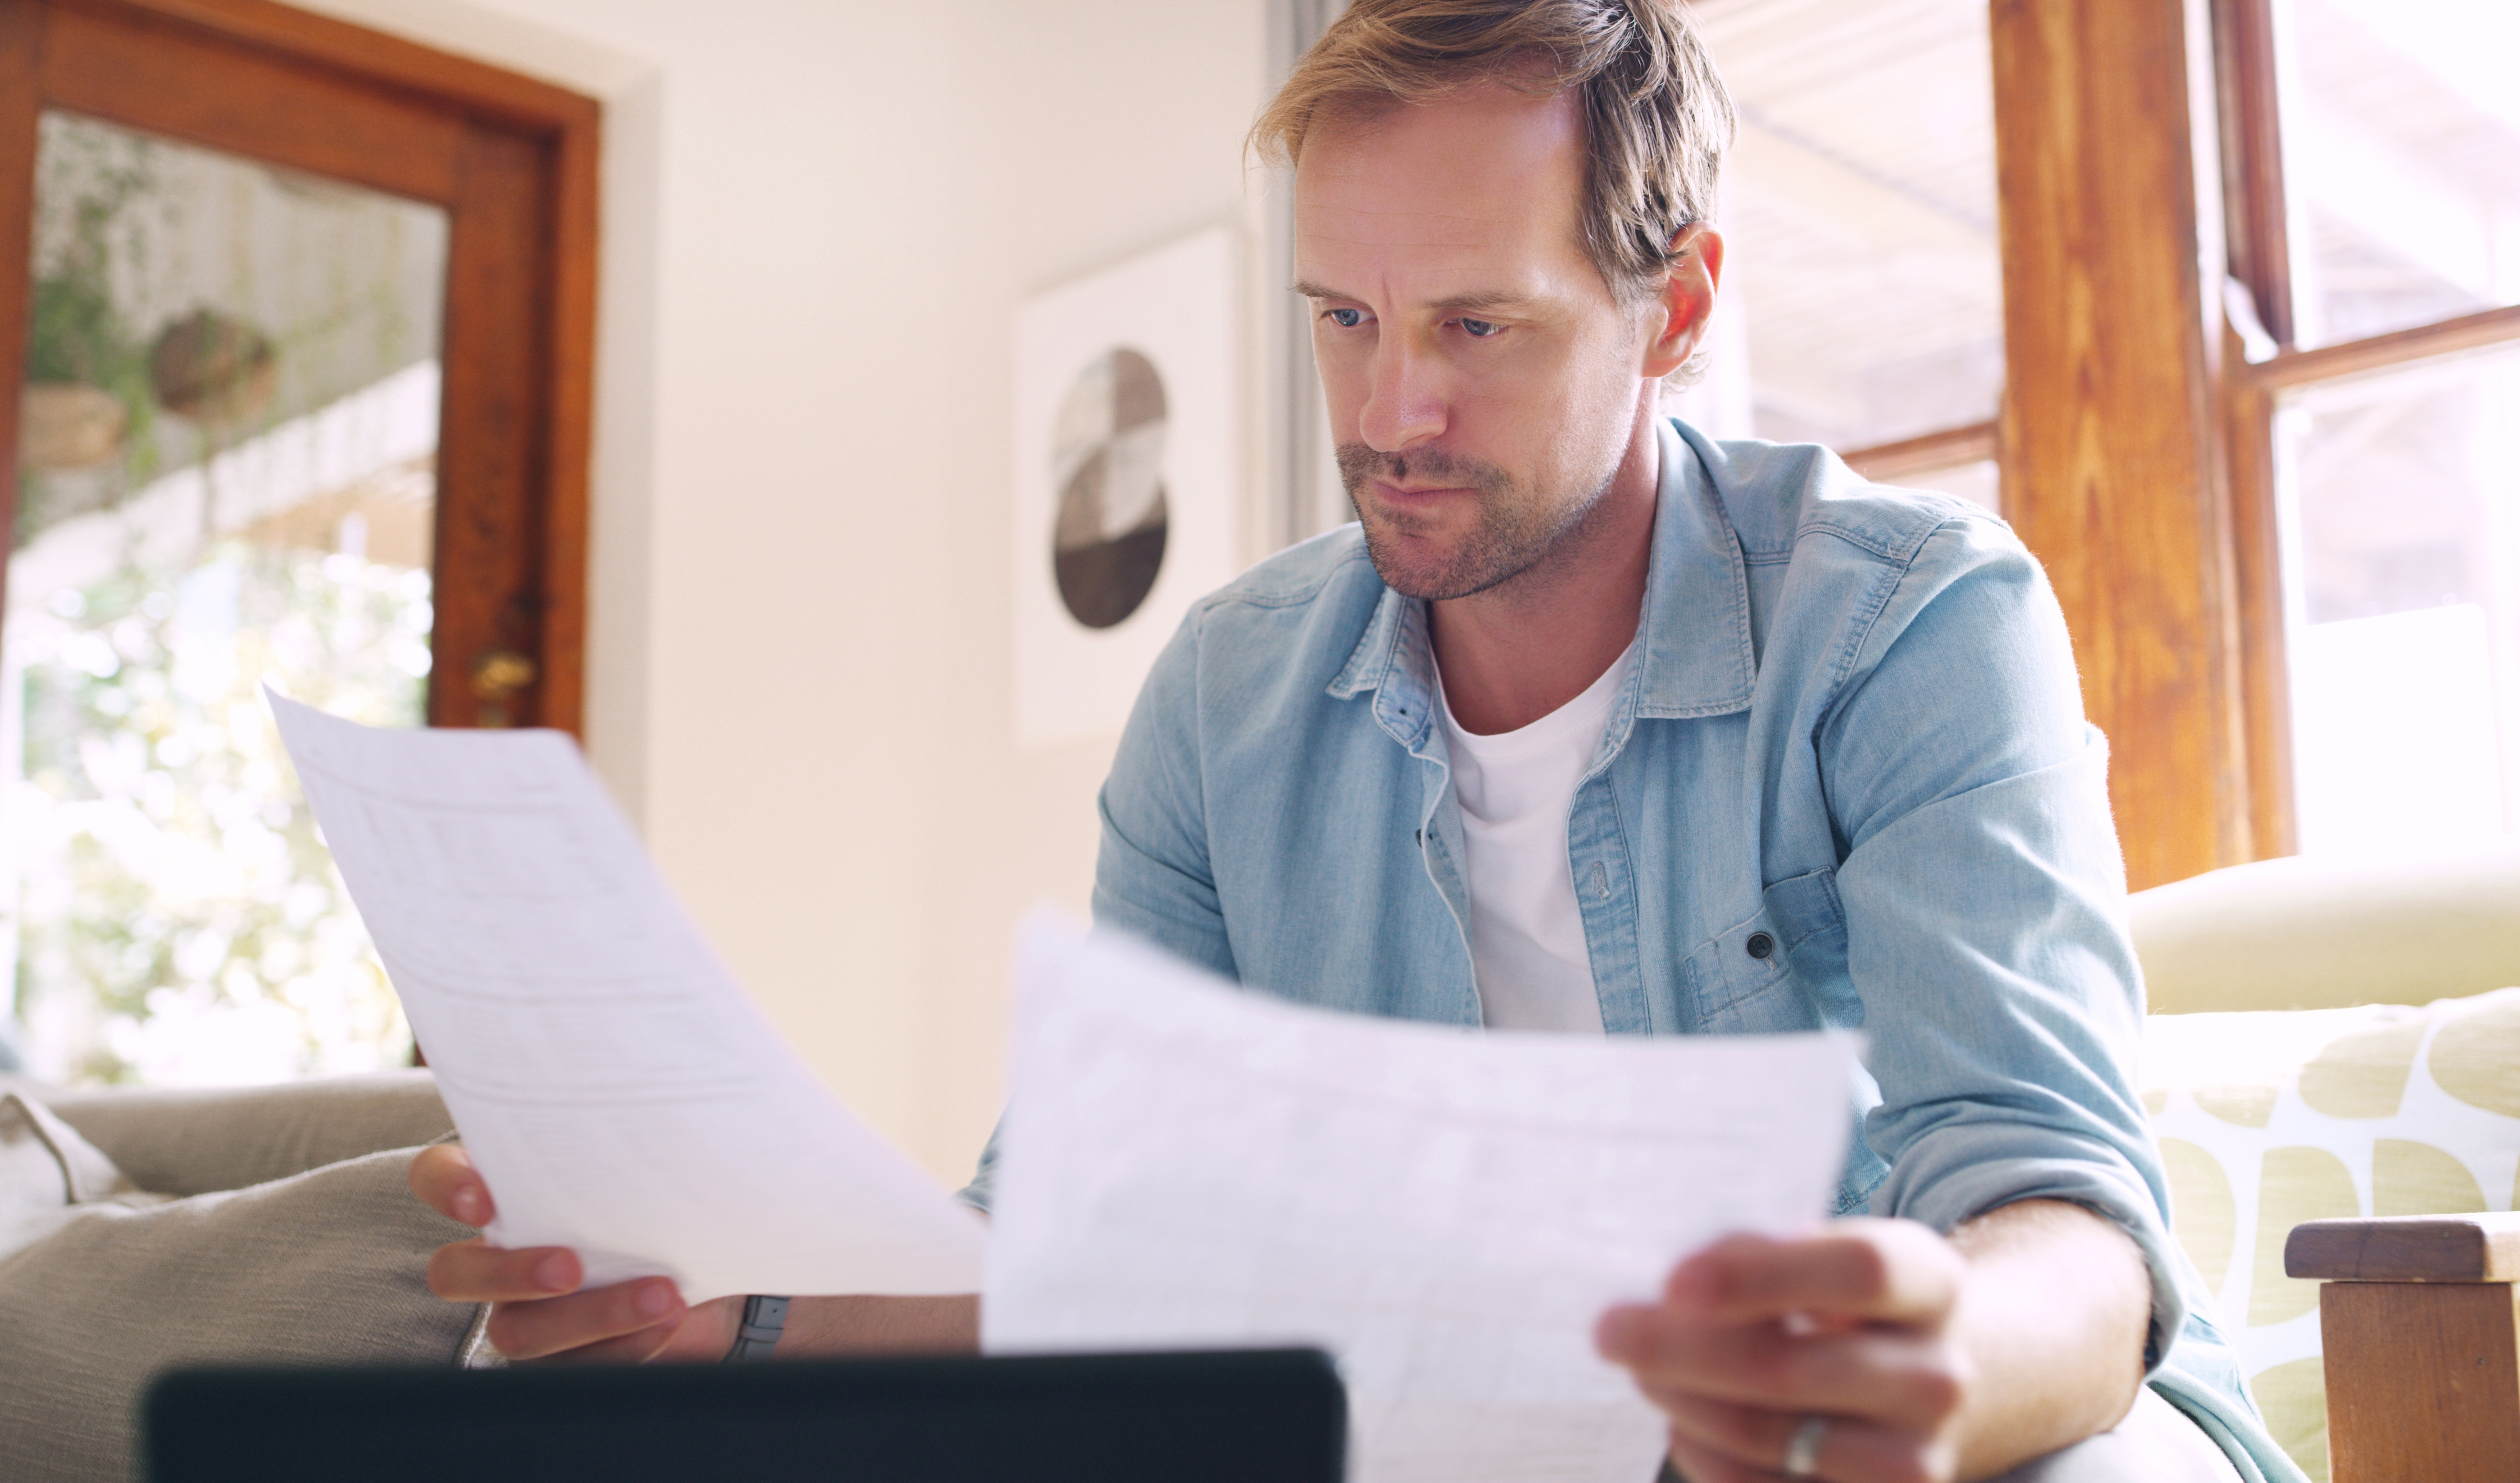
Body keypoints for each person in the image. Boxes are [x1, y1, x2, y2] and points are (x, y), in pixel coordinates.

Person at [412, 3, 2305, 1479]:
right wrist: (723, 1315)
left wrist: (1931, 1360)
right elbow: (1086, 1232)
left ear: (1675, 307)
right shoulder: (1227, 700)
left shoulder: (1908, 624)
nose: (1393, 411)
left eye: (1480, 326)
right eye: (1343, 316)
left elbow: (2065, 1223)